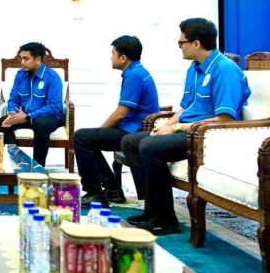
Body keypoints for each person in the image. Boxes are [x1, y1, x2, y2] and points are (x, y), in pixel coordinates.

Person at [121, 18, 250, 235]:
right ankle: (152, 210)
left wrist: (177, 128)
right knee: (131, 141)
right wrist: (166, 125)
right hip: (189, 129)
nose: (180, 47)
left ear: (196, 43)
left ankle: (166, 220)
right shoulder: (194, 68)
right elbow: (185, 107)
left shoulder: (225, 70)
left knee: (150, 147)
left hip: (208, 136)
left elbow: (223, 119)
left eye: (181, 43)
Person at [73, 35, 160, 208]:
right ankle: (112, 189)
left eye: (113, 53)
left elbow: (120, 114)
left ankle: (95, 193)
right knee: (87, 139)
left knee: (82, 137)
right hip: (132, 128)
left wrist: (100, 131)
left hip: (135, 132)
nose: (111, 57)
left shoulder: (134, 75)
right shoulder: (136, 72)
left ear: (123, 58)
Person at [0, 42, 64, 167]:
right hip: (24, 116)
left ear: (38, 60)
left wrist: (28, 116)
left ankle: (37, 168)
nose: (22, 62)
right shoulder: (20, 75)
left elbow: (54, 106)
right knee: (0, 124)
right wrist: (12, 113)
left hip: (48, 117)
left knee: (40, 124)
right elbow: (13, 99)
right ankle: (18, 162)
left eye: (26, 59)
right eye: (21, 58)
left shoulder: (52, 77)